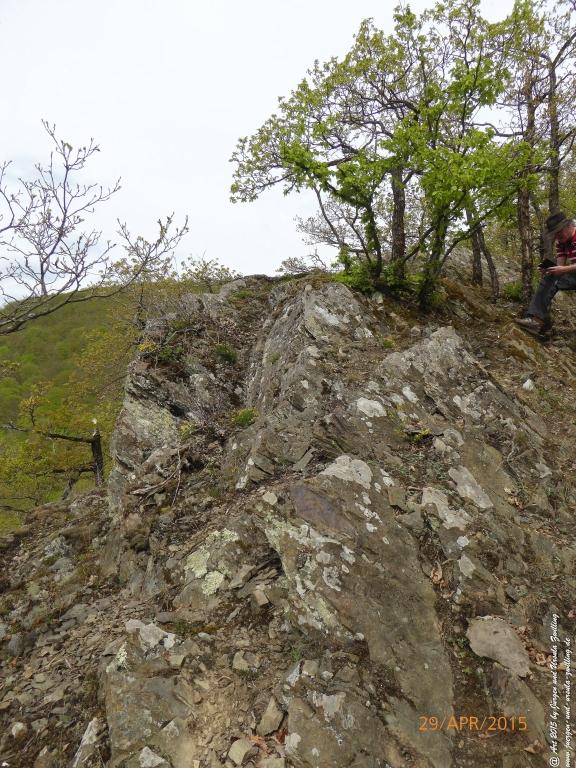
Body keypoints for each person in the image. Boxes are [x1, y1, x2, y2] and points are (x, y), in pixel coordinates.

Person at [515, 211, 576, 334]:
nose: (557, 236)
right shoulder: (561, 242)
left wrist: (563, 269)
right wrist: (550, 269)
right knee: (550, 277)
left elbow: (563, 269)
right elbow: (560, 266)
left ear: (569, 226)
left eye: (559, 232)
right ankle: (536, 320)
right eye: (555, 233)